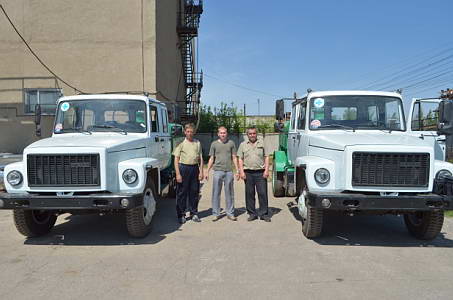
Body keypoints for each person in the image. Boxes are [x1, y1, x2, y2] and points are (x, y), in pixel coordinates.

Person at [205, 126, 239, 222]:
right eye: (221, 133)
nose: (223, 134)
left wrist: (237, 171)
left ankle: (230, 213)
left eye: (224, 133)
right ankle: (216, 213)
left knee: (230, 193)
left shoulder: (231, 143)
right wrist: (207, 171)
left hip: (228, 171)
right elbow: (211, 158)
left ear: (226, 133)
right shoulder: (214, 144)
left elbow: (234, 157)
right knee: (216, 193)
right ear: (218, 134)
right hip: (217, 171)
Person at [237, 126, 271, 222]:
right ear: (247, 135)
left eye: (254, 133)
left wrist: (267, 170)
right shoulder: (243, 145)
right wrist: (241, 171)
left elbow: (267, 157)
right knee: (249, 194)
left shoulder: (262, 143)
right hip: (248, 173)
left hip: (260, 172)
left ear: (256, 134)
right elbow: (240, 158)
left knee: (262, 193)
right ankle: (252, 213)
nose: (252, 135)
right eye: (250, 134)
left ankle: (264, 214)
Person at [173, 123, 204, 224]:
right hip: (183, 168)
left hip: (194, 168)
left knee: (194, 192)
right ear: (185, 132)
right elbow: (176, 159)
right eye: (188, 131)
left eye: (191, 131)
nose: (190, 133)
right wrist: (178, 174)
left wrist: (201, 171)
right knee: (182, 193)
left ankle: (193, 213)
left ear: (194, 132)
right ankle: (181, 214)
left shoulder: (197, 143)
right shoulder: (181, 143)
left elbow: (201, 158)